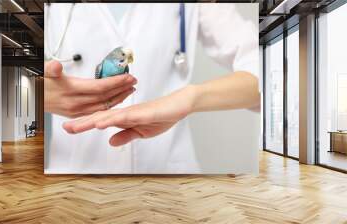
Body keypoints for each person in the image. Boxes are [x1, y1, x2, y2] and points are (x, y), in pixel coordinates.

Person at [44, 3, 260, 174]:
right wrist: (40, 94)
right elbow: (18, 68)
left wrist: (191, 98)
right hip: (74, 179)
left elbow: (264, 69)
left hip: (168, 179)